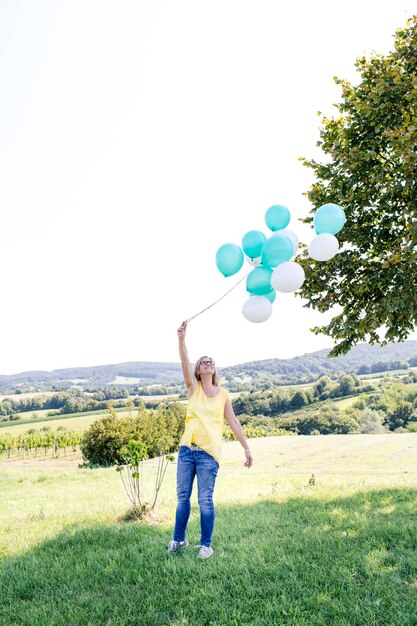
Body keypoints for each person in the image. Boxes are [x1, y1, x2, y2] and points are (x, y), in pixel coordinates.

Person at [168, 320, 253, 559]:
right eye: (203, 362)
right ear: (198, 371)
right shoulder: (192, 389)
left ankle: (205, 545)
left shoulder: (223, 395)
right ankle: (178, 540)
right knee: (182, 498)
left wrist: (246, 448)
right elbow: (184, 362)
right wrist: (181, 339)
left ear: (214, 369)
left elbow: (233, 422)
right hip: (187, 450)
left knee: (205, 500)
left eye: (210, 362)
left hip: (208, 454)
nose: (207, 363)